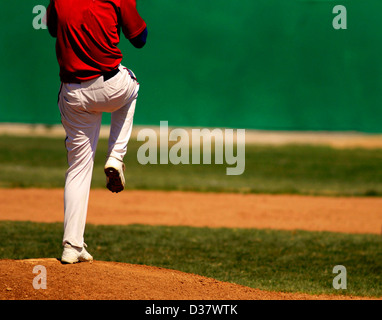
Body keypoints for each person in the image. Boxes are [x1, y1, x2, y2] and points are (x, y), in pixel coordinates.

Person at [46, 0, 147, 264]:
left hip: (72, 93)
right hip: (110, 86)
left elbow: (52, 28)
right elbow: (140, 39)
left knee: (78, 167)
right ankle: (115, 156)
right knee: (132, 87)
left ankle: (71, 245)